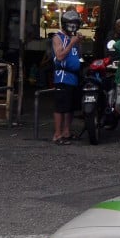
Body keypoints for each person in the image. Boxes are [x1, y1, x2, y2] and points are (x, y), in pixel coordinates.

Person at [50, 9, 83, 145]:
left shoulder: (73, 38)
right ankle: (57, 134)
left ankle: (66, 132)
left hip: (74, 77)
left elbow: (78, 56)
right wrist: (71, 43)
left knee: (70, 107)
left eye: (75, 23)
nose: (73, 26)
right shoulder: (58, 37)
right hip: (62, 76)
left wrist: (78, 42)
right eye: (70, 24)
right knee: (60, 107)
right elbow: (60, 56)